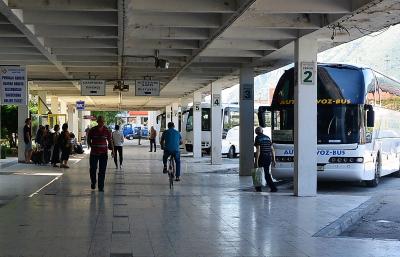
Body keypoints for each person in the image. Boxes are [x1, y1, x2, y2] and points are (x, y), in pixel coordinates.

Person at [87, 116, 114, 192]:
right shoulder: (92, 130)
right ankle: (93, 182)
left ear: (104, 122)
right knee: (93, 169)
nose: (101, 123)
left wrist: (113, 151)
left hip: (103, 153)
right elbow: (88, 138)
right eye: (100, 121)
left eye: (102, 122)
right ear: (97, 122)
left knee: (102, 170)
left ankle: (101, 186)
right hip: (94, 153)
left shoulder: (107, 130)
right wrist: (90, 145)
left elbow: (110, 140)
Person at [254, 126, 278, 192]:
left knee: (258, 172)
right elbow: (272, 150)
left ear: (256, 132)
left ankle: (258, 188)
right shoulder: (268, 138)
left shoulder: (257, 138)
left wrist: (256, 161)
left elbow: (258, 150)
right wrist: (274, 160)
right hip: (268, 157)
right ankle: (273, 187)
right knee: (266, 173)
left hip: (262, 157)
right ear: (262, 131)